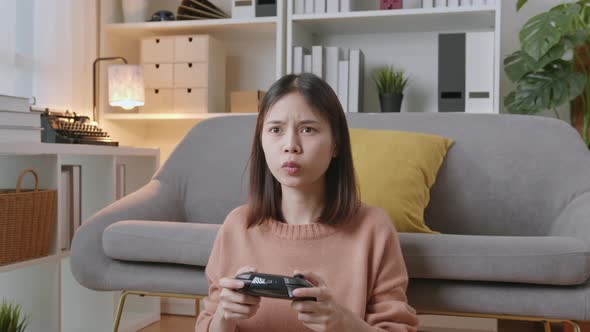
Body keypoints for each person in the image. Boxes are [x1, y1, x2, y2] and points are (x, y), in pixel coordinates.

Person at [195, 73, 418, 332]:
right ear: (261, 141)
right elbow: (207, 324)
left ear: (336, 144)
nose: (291, 145)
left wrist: (342, 322)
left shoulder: (373, 227)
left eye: (307, 129)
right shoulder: (237, 225)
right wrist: (224, 317)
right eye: (276, 130)